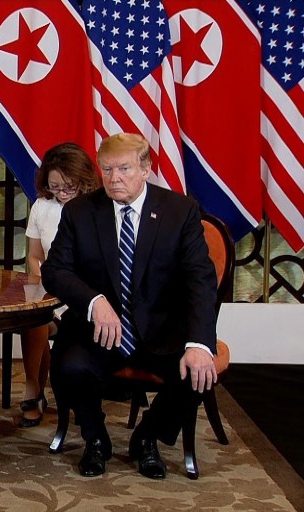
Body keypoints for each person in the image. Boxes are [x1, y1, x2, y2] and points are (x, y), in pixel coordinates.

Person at [41, 133, 218, 479]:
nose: (113, 178)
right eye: (106, 169)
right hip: (99, 331)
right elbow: (54, 270)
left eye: (123, 168)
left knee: (198, 374)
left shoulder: (179, 211)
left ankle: (148, 438)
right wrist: (94, 301)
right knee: (69, 365)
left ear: (146, 169)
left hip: (161, 330)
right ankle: (95, 439)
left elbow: (201, 281)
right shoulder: (80, 211)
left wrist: (199, 343)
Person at [19, 143, 101, 428]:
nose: (62, 193)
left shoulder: (97, 208)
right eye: (55, 187)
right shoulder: (42, 207)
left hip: (85, 299)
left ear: (84, 180)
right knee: (33, 320)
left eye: (69, 187)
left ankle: (65, 391)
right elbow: (34, 256)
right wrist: (43, 285)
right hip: (51, 293)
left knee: (50, 323)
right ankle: (33, 390)